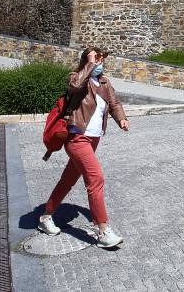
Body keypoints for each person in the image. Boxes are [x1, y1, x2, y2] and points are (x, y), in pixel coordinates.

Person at [38, 47, 130, 248]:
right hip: (77, 138)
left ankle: (45, 217)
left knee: (68, 180)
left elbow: (114, 103)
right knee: (96, 178)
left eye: (101, 59)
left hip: (94, 139)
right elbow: (76, 86)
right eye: (96, 58)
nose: (100, 63)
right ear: (86, 60)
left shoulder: (104, 82)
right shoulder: (76, 78)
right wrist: (89, 64)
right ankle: (103, 230)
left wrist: (121, 119)